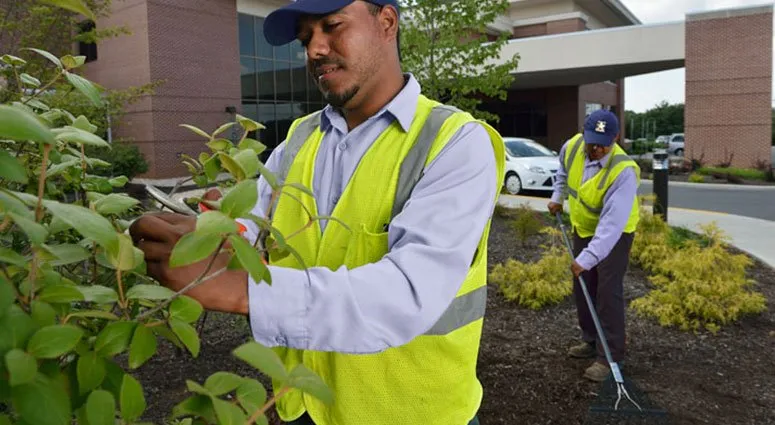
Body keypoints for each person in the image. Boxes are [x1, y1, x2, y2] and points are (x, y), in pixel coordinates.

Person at [128, 0, 506, 424]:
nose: (315, 49)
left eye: (332, 26)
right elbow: (254, 228)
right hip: (302, 405)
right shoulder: (299, 138)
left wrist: (241, 290)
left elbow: (409, 293)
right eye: (307, 38)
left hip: (412, 412)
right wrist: (210, 233)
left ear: (387, 22)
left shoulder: (455, 143)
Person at [547, 109, 640, 382]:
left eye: (604, 144)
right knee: (584, 286)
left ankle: (610, 356)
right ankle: (590, 341)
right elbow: (562, 172)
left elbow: (611, 227)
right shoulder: (572, 147)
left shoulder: (624, 172)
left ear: (616, 139)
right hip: (584, 228)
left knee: (608, 292)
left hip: (616, 234)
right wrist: (557, 196)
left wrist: (587, 258)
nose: (597, 149)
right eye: (592, 142)